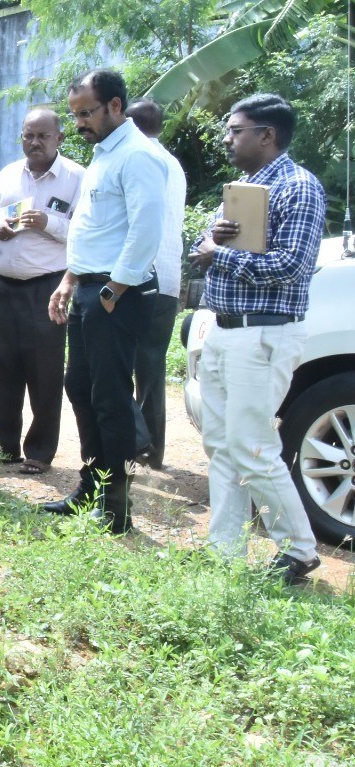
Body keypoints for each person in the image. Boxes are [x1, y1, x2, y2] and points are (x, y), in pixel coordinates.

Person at [190, 94, 325, 585]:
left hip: (264, 332)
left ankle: (299, 551)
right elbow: (199, 249)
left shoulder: (298, 188)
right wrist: (211, 243)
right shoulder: (243, 189)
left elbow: (291, 266)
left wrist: (218, 254)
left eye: (236, 130)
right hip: (226, 330)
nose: (227, 138)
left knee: (252, 445)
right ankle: (223, 550)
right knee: (222, 445)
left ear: (267, 135)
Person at [42, 69, 167, 533]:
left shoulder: (137, 156)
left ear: (115, 106)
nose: (79, 123)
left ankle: (116, 509)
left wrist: (115, 288)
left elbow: (145, 230)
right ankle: (92, 484)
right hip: (92, 287)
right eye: (75, 114)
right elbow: (95, 229)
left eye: (86, 112)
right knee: (81, 386)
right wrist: (69, 279)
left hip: (119, 292)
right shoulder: (105, 154)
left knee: (111, 397)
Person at [0, 109, 85, 474]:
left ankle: (39, 452)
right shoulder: (8, 174)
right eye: (28, 136)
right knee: (2, 367)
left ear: (59, 137)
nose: (34, 143)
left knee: (45, 370)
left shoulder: (76, 178)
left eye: (43, 136)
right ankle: (6, 445)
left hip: (47, 286)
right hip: (2, 285)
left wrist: (50, 222)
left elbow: (88, 232)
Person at [127, 98, 187, 470]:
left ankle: (136, 441)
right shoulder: (173, 164)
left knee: (115, 363)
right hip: (167, 279)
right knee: (152, 366)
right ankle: (153, 449)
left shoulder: (138, 159)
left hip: (139, 279)